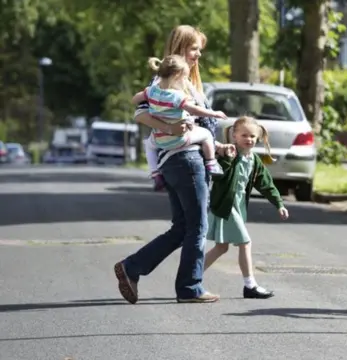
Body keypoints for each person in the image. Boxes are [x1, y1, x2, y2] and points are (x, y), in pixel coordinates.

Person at [114, 25, 235, 304]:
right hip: (186, 159)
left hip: (180, 158)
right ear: (179, 48)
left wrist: (217, 146)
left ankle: (132, 267)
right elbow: (140, 114)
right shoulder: (164, 81)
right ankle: (190, 287)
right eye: (194, 49)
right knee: (197, 227)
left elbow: (193, 124)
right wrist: (170, 130)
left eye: (199, 50)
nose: (198, 56)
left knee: (182, 227)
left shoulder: (185, 82)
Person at [203, 116, 289, 299]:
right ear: (234, 136)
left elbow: (266, 184)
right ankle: (250, 285)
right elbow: (217, 176)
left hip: (238, 207)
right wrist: (226, 160)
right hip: (227, 206)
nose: (248, 139)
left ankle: (191, 275)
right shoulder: (229, 154)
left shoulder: (254, 160)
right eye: (244, 135)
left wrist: (278, 203)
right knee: (245, 242)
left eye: (252, 136)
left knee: (221, 248)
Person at [132, 55, 226, 178]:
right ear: (177, 76)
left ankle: (155, 173)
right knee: (206, 135)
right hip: (179, 139)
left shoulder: (151, 91)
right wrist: (214, 113)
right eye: (185, 77)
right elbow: (194, 109)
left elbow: (135, 99)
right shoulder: (177, 96)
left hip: (159, 139)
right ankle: (211, 162)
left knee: (149, 145)